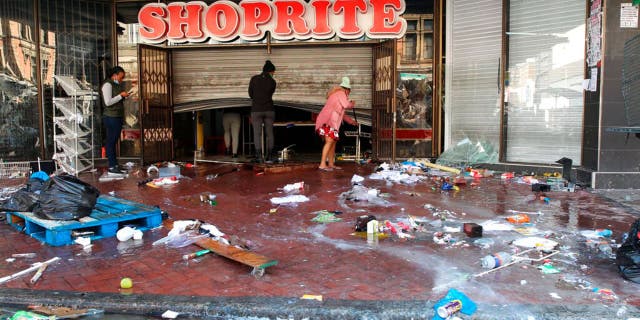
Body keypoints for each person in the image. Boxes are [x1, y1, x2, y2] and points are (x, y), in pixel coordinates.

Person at [315, 76, 357, 171]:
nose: (349, 94)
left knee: (332, 143)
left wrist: (351, 122)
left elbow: (342, 114)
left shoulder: (338, 94)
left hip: (331, 123)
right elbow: (346, 105)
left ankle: (330, 164)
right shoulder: (341, 93)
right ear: (347, 89)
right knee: (329, 142)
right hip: (328, 121)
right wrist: (352, 103)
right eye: (349, 91)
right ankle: (322, 164)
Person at [101, 66, 129, 174]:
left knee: (113, 141)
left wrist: (123, 96)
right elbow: (108, 102)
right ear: (115, 75)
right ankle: (112, 166)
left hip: (116, 116)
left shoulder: (115, 84)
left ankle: (115, 164)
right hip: (111, 117)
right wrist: (120, 96)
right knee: (111, 141)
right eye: (121, 77)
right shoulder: (107, 85)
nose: (121, 80)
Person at [248, 60, 277, 163]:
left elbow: (250, 94)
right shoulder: (272, 82)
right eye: (273, 72)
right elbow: (270, 93)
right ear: (270, 71)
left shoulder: (254, 79)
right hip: (269, 109)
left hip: (256, 110)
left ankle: (259, 157)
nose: (273, 74)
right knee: (269, 133)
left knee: (257, 134)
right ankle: (270, 156)